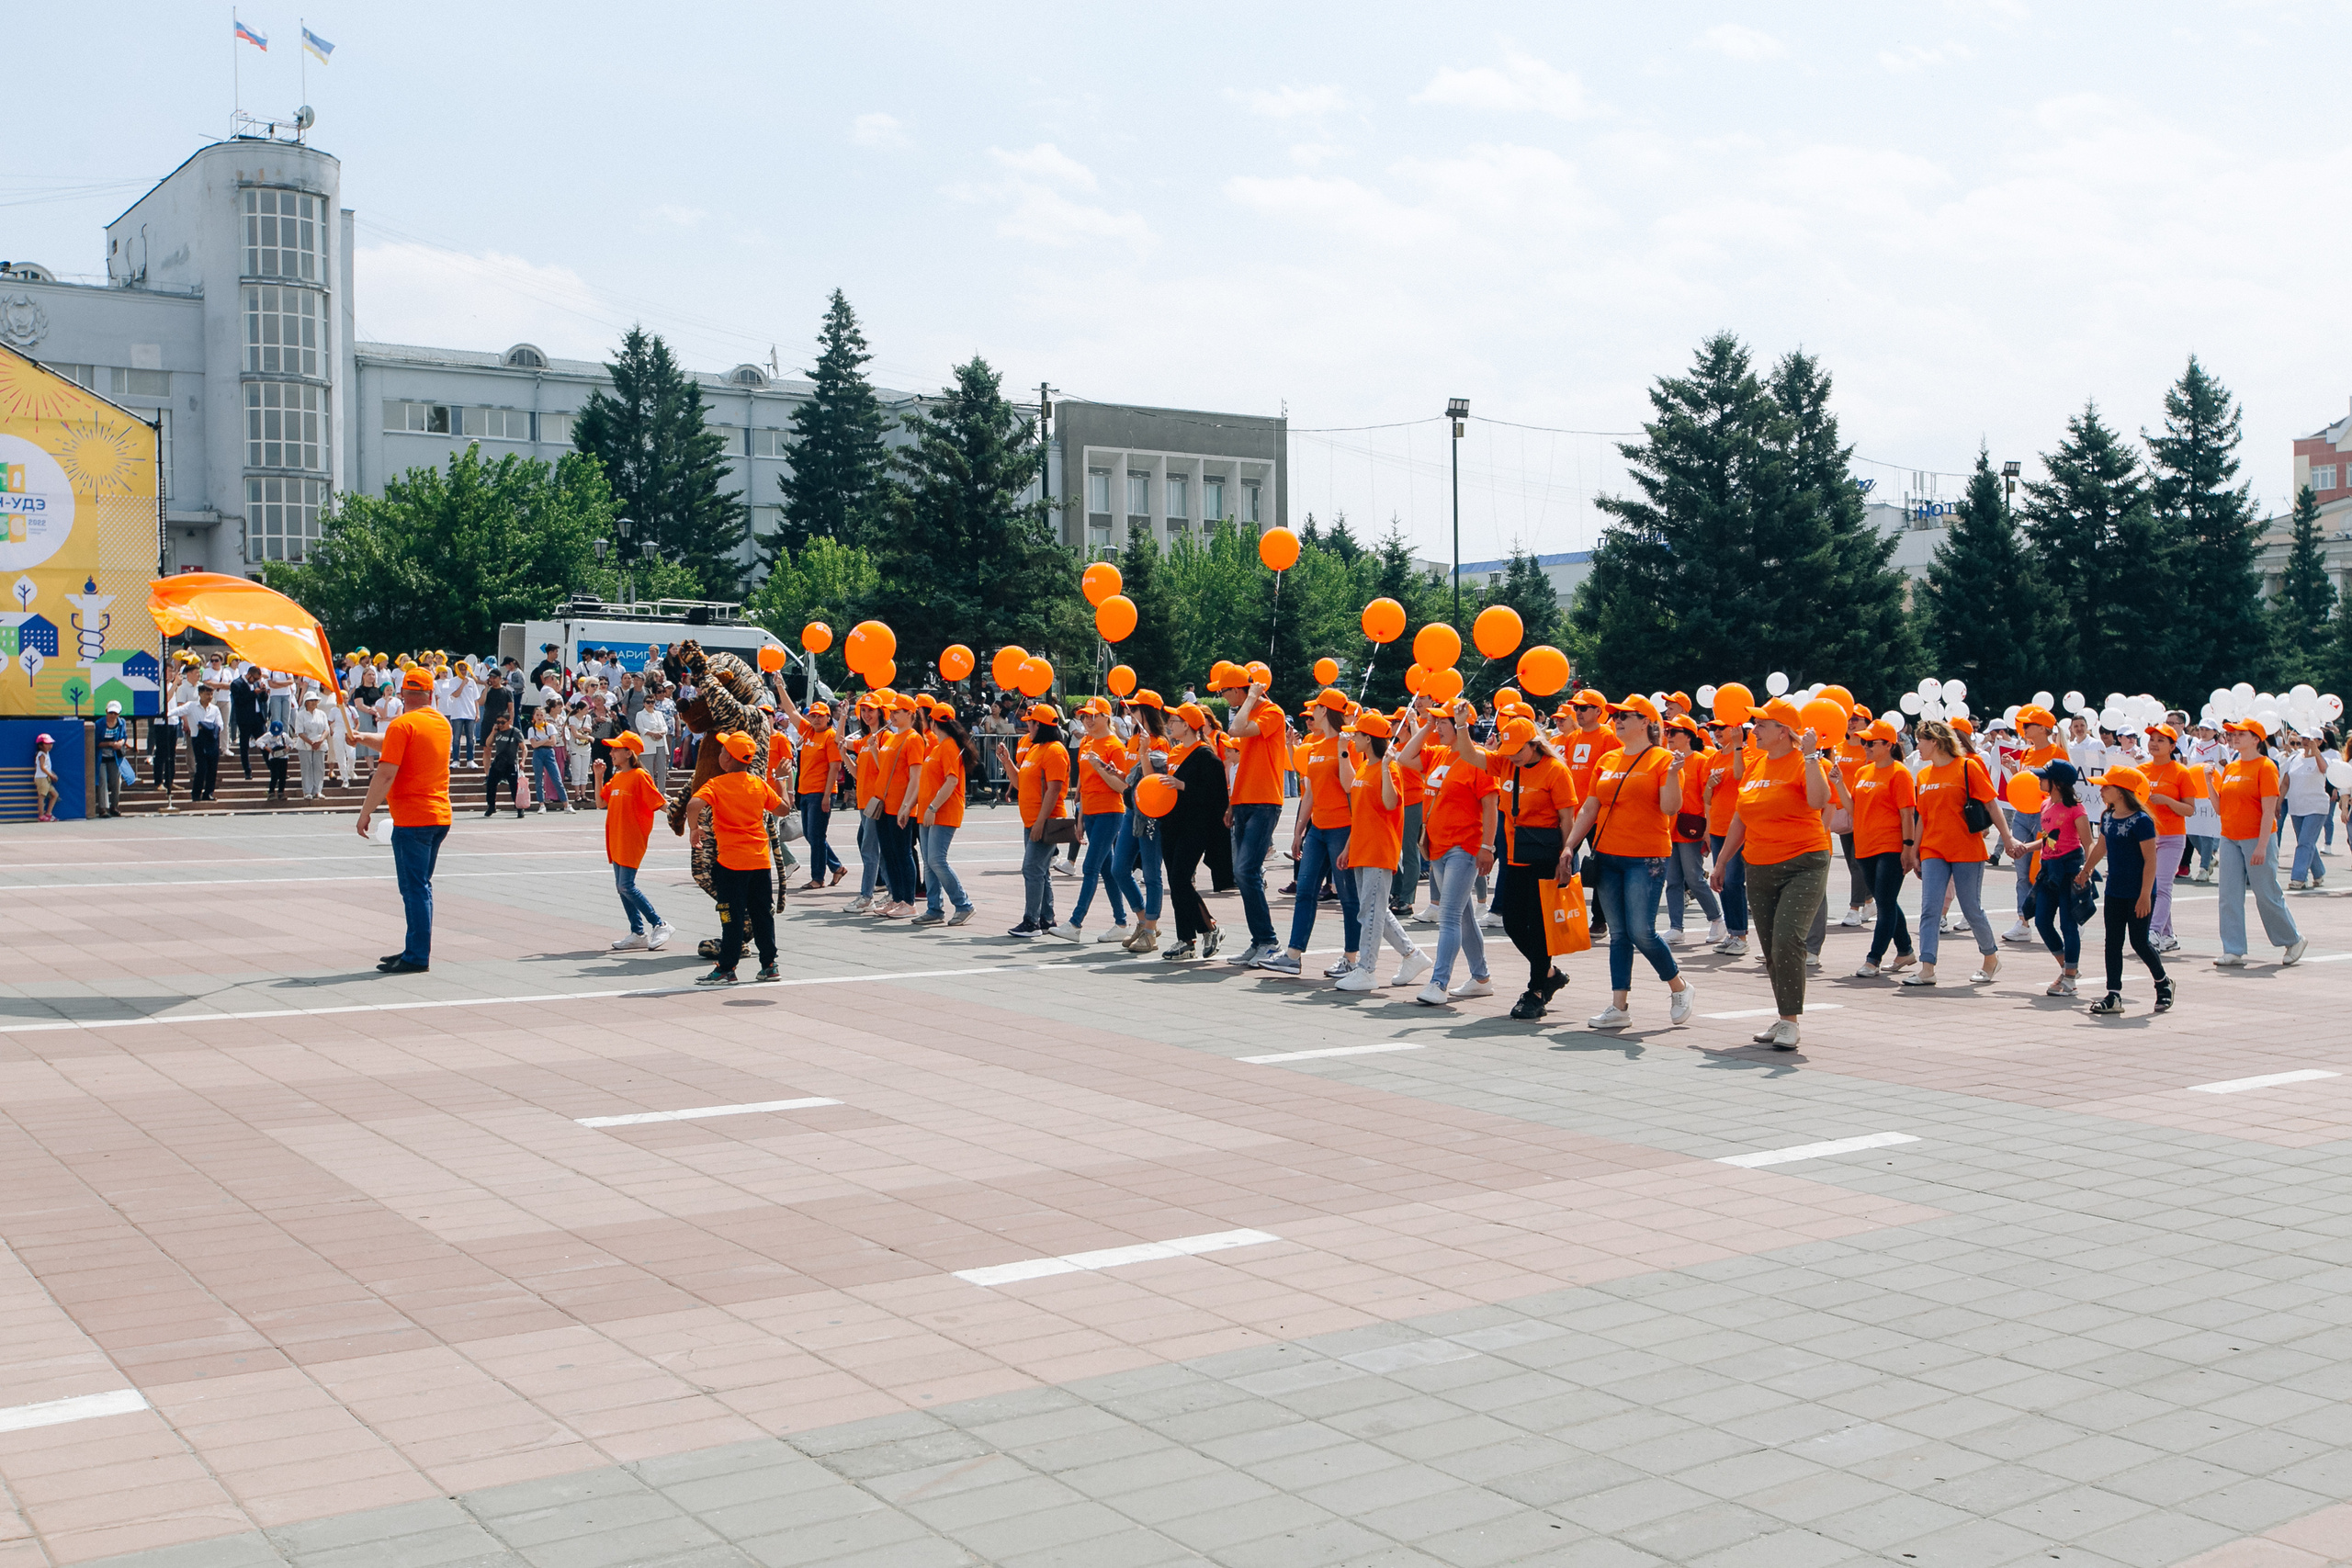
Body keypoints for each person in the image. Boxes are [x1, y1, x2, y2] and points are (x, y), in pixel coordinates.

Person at [1565, 694, 1693, 1030]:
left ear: (1647, 722)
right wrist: (1570, 846)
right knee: (1620, 933)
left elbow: (1669, 808)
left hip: (1646, 857)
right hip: (1607, 855)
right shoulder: (1607, 759)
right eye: (1617, 715)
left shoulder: (1663, 759)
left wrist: (1673, 775)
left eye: (1626, 715)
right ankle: (1619, 1005)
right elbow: (1590, 807)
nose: (1618, 719)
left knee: (1642, 931)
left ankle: (1679, 986)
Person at [1454, 705, 1579, 1019]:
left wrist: (1567, 856)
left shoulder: (1555, 770)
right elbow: (1471, 755)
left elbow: (1568, 818)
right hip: (1515, 856)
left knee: (1538, 927)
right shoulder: (1506, 764)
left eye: (1519, 751)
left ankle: (1536, 990)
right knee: (1511, 922)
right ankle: (1548, 974)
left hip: (1545, 857)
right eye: (1508, 751)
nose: (1512, 756)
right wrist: (1460, 726)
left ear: (1534, 744)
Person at [1900, 717, 2028, 989]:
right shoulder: (1923, 775)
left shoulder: (1968, 767)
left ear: (1934, 741)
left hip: (1966, 848)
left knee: (1971, 908)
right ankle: (1927, 967)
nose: (1917, 746)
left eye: (1921, 741)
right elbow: (1922, 816)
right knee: (1930, 909)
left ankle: (1990, 957)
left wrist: (2007, 839)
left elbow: (1992, 805)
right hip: (1934, 849)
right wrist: (1914, 851)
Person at [356, 666, 453, 975]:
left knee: (414, 888)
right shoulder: (441, 723)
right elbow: (395, 741)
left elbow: (385, 772)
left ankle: (416, 955)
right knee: (421, 886)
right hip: (439, 816)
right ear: (430, 694)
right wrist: (361, 737)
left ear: (402, 694)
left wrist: (365, 811)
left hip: (413, 819)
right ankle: (415, 947)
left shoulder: (402, 725)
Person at [1258, 689, 1360, 976]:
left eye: (1315, 708)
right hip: (1318, 828)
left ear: (1325, 711)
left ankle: (1352, 958)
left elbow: (1350, 785)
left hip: (1342, 826)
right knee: (1305, 890)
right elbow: (1311, 792)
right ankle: (1293, 955)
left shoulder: (1348, 743)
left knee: (1349, 896)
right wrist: (1299, 829)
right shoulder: (1314, 745)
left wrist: (1342, 750)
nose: (1311, 713)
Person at [1411, 703, 1498, 1007]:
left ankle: (1439, 982)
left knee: (1448, 915)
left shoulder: (1478, 759)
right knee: (1461, 915)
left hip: (1464, 846)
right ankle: (1481, 977)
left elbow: (1490, 806)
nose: (1438, 728)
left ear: (1460, 722)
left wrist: (1487, 847)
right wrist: (1425, 724)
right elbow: (1405, 757)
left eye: (1442, 722)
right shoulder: (1439, 753)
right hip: (1436, 846)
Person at [1337, 710, 1430, 992]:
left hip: (1380, 849)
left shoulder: (1389, 768)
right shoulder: (1365, 767)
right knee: (1375, 910)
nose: (1353, 738)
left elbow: (1391, 804)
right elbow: (1359, 808)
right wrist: (1348, 846)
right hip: (1362, 848)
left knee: (1370, 911)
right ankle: (1412, 955)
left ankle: (1366, 969)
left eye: (1357, 735)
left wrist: (1390, 766)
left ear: (1369, 738)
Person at [686, 731, 785, 984]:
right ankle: (770, 965)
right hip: (760, 863)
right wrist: (781, 781)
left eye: (722, 751)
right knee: (763, 915)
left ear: (727, 759)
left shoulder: (717, 784)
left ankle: (727, 967)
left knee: (731, 917)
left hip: (731, 864)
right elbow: (783, 809)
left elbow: (693, 805)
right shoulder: (758, 784)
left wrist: (694, 829)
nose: (720, 754)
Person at [2077, 766, 2173, 1016]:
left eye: (2106, 786)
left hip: (2138, 892)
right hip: (2115, 890)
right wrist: (2086, 870)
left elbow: (2150, 861)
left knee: (2139, 942)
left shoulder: (2142, 821)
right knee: (2113, 942)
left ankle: (2163, 983)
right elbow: (2101, 847)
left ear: (2121, 792)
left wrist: (2145, 895)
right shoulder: (2107, 816)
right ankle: (2114, 994)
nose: (2101, 790)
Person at [2213, 718, 2307, 967]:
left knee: (2266, 893)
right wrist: (2208, 783)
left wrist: (2262, 846)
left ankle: (2293, 938)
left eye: (2240, 734)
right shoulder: (2232, 767)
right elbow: (2221, 808)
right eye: (2232, 734)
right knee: (2228, 895)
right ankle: (2233, 949)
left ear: (2256, 739)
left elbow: (2269, 811)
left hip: (2257, 837)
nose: (2234, 737)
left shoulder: (2266, 766)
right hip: (2230, 836)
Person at [1215, 665, 1289, 966]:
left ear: (1238, 689)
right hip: (1246, 801)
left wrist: (1251, 697)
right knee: (1243, 873)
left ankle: (1268, 941)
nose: (1223, 697)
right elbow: (1244, 760)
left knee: (1247, 871)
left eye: (1225, 691)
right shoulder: (1249, 710)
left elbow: (1236, 730)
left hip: (1265, 801)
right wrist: (1233, 803)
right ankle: (1259, 941)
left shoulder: (1272, 712)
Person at [1848, 719, 1918, 978]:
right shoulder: (1862, 772)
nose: (1864, 745)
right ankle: (1905, 950)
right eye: (1864, 741)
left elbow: (1907, 814)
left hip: (1890, 845)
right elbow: (1852, 807)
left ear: (1888, 745)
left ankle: (1873, 959)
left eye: (1870, 742)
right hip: (1864, 846)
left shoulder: (1899, 773)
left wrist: (1908, 848)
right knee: (1885, 900)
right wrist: (1836, 784)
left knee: (1886, 903)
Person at [1060, 699, 1136, 944]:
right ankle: (1122, 921)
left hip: (1109, 811)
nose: (1088, 720)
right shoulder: (1086, 742)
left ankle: (1075, 923)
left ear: (1107, 717)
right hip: (1090, 812)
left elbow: (1121, 786)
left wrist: (1101, 767)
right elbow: (1082, 783)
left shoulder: (1115, 745)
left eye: (1094, 716)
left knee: (1090, 867)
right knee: (1107, 869)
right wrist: (1080, 817)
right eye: (1084, 716)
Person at [1158, 702, 1229, 960]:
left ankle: (1208, 928)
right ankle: (1185, 939)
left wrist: (1183, 785)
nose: (1169, 725)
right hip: (1171, 824)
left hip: (1195, 827)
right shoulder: (1175, 752)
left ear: (1187, 725)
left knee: (1179, 879)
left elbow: (1216, 798)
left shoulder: (1206, 756)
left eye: (1174, 721)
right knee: (1176, 883)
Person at [1001, 703, 1071, 937]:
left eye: (1030, 722)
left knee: (1031, 869)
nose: (1027, 726)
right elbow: (1021, 782)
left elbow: (1054, 789)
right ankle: (1045, 919)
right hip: (1032, 819)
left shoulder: (1055, 750)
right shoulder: (1035, 748)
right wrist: (1006, 762)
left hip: (1046, 820)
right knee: (1041, 872)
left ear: (1039, 725)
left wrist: (1041, 822)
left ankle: (1031, 922)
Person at [601, 732, 674, 952]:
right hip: (616, 837)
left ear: (628, 752)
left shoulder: (640, 775)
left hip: (632, 837)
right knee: (620, 887)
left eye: (616, 749)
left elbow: (659, 803)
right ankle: (637, 932)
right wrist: (598, 776)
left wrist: (683, 816)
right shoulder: (617, 777)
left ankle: (660, 924)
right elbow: (599, 803)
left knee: (626, 885)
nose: (611, 752)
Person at [2025, 761, 2089, 996]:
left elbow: (2087, 843)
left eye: (2045, 777)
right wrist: (2026, 847)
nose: (2040, 780)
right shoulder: (2045, 805)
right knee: (2041, 920)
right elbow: (2048, 839)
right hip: (2049, 870)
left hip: (2070, 870)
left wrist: (2086, 871)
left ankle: (2070, 978)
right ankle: (2067, 967)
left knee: (2068, 924)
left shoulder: (2076, 810)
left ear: (2058, 783)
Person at [1111, 693, 1170, 953]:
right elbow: (1133, 778)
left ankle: (1150, 931)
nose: (1131, 712)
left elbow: (1153, 782)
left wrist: (1145, 751)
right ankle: (1144, 919)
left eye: (1137, 708)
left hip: (1151, 814)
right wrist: (1114, 772)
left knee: (1151, 873)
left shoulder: (1160, 743)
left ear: (1149, 712)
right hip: (1132, 811)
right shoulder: (1134, 739)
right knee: (1119, 868)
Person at [2002, 705, 2066, 942]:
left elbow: (2063, 787)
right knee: (2020, 867)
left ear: (2043, 728)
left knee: (2043, 870)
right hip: (2022, 814)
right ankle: (2023, 920)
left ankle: (2062, 918)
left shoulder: (2057, 754)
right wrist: (2012, 770)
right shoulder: (2027, 753)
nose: (2024, 728)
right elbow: (2024, 785)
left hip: (2045, 816)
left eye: (2028, 725)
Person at [1660, 716, 1724, 948]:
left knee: (1694, 878)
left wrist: (1708, 828)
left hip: (1691, 826)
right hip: (1669, 827)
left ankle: (1717, 919)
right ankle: (1676, 927)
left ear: (1688, 736)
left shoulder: (1700, 761)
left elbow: (1708, 797)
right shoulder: (1665, 760)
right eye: (1667, 730)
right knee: (1673, 880)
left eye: (1673, 731)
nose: (1668, 735)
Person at [2140, 725, 2203, 953]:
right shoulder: (2141, 771)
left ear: (2173, 746)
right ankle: (2168, 935)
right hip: (2146, 838)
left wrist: (2167, 800)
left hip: (2172, 837)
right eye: (2152, 739)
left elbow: (2189, 809)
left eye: (2161, 740)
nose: (2155, 743)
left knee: (2163, 885)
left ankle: (2154, 931)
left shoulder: (2180, 772)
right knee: (2149, 885)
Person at [913, 702, 977, 927]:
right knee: (930, 863)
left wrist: (932, 808)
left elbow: (952, 780)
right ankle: (934, 908)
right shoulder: (939, 746)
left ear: (933, 722)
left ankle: (963, 904)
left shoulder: (949, 746)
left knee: (936, 860)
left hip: (942, 812)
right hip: (929, 813)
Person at [1704, 719, 1749, 955]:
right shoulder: (1713, 758)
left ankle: (1740, 933)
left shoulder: (1747, 753)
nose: (1717, 732)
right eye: (1714, 729)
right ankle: (1732, 933)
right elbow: (1707, 798)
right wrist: (1710, 786)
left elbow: (1742, 777)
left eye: (1722, 728)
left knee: (1733, 881)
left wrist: (1740, 746)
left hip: (1737, 829)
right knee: (1721, 883)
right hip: (1717, 828)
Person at [2284, 730, 2330, 890]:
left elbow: (2324, 769)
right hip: (2297, 807)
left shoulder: (2323, 758)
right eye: (2303, 738)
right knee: (2305, 842)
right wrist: (2278, 802)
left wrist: (2316, 752)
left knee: (2305, 842)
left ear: (2319, 741)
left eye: (2310, 739)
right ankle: (2319, 872)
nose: (2305, 741)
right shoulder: (2294, 758)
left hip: (2316, 807)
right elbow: (2285, 782)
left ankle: (2298, 877)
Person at [181, 682, 225, 801]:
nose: (209, 697)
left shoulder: (214, 709)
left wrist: (207, 727)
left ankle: (208, 793)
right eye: (207, 694)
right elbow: (178, 711)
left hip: (212, 740)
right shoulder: (192, 706)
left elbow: (221, 725)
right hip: (199, 740)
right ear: (200, 694)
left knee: (212, 769)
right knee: (201, 768)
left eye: (211, 694)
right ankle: (196, 794)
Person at [481, 711, 524, 817]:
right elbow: (488, 744)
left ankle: (519, 808)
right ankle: (491, 806)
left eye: (502, 722)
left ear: (509, 721)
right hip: (499, 762)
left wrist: (522, 761)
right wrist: (493, 732)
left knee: (514, 787)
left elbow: (524, 748)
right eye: (498, 722)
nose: (500, 724)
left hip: (511, 763)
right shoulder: (497, 732)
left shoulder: (515, 732)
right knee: (491, 784)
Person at [95, 701, 129, 817]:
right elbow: (95, 742)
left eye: (115, 713)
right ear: (106, 712)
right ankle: (103, 808)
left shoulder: (121, 723)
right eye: (111, 713)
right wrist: (110, 744)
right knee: (102, 781)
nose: (113, 715)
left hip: (114, 757)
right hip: (101, 757)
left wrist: (120, 743)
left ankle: (114, 806)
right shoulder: (99, 724)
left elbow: (124, 736)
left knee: (116, 781)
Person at [259, 718, 292, 801]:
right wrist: (267, 748)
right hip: (274, 758)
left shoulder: (284, 736)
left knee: (282, 775)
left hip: (283, 757)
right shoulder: (268, 736)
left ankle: (281, 792)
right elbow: (258, 742)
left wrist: (288, 748)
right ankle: (271, 792)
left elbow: (291, 743)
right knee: (274, 775)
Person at [30, 733, 57, 821]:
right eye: (46, 744)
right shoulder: (41, 754)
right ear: (40, 745)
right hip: (41, 778)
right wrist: (51, 775)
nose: (49, 746)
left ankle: (48, 814)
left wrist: (52, 774)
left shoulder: (47, 754)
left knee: (55, 795)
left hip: (46, 778)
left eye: (50, 743)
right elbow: (42, 767)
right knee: (42, 796)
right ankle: (41, 816)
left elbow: (47, 767)